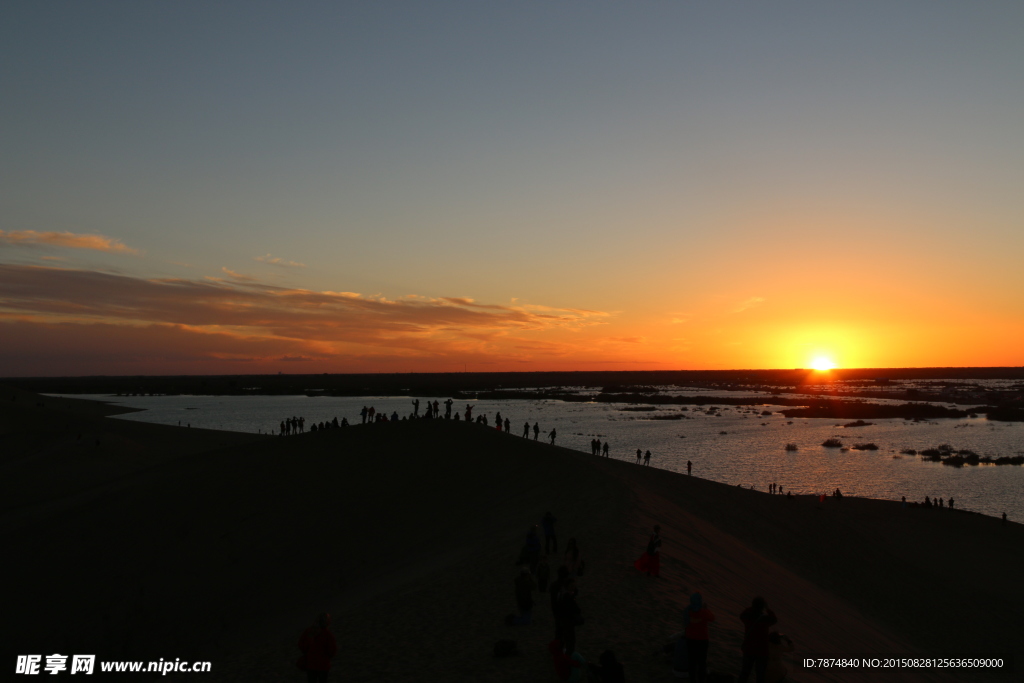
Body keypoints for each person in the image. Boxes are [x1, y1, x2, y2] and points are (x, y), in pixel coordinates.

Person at [738, 597, 777, 683]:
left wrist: (752, 607)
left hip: (749, 649)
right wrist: (768, 609)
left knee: (744, 674)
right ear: (762, 607)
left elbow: (742, 614)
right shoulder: (765, 619)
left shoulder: (748, 617)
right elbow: (774, 619)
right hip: (762, 652)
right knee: (760, 677)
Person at [684, 592, 715, 683]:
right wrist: (706, 609)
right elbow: (712, 618)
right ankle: (701, 679)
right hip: (702, 640)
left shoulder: (688, 611)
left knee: (692, 661)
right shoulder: (704, 612)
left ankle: (692, 679)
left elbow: (685, 623)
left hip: (690, 639)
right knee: (702, 662)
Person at [297, 612, 336, 683]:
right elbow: (332, 651)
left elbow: (301, 644)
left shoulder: (308, 631)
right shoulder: (328, 635)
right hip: (323, 665)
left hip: (310, 664)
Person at [554, 578, 581, 656]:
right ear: (567, 586)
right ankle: (568, 655)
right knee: (570, 639)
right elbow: (573, 608)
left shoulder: (562, 593)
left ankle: (564, 654)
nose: (573, 587)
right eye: (572, 586)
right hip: (567, 620)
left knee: (565, 638)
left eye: (574, 586)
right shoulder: (567, 596)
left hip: (562, 619)